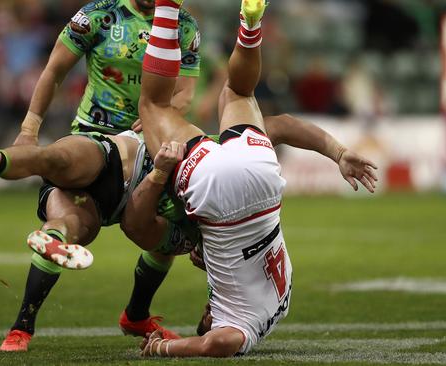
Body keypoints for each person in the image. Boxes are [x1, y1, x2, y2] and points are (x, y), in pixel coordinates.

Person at [134, 0, 377, 357]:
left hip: (264, 182)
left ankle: (250, 29)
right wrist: (165, 348)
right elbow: (220, 342)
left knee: (238, 92)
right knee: (153, 106)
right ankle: (167, 7)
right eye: (205, 319)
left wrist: (339, 153)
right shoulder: (244, 325)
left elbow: (283, 125)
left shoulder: (280, 301)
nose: (206, 315)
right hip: (221, 197)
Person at [0, 0, 201, 351]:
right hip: (96, 138)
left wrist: (161, 113)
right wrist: (29, 129)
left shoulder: (184, 26)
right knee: (75, 227)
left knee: (167, 225)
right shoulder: (99, 15)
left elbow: (185, 93)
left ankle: (136, 315)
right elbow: (53, 71)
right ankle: (22, 326)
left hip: (149, 147)